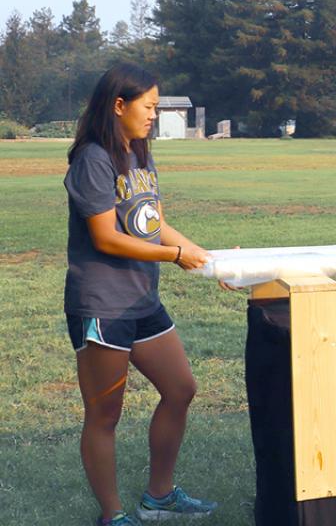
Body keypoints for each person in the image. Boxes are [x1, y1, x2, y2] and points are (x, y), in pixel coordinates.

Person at [64, 64, 221, 525]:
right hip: (102, 305)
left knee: (180, 389)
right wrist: (174, 256)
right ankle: (113, 516)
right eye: (148, 106)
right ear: (119, 105)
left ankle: (159, 495)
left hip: (141, 301)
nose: (154, 114)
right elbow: (106, 238)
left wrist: (209, 260)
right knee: (105, 413)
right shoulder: (93, 158)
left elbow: (153, 224)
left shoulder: (138, 154)